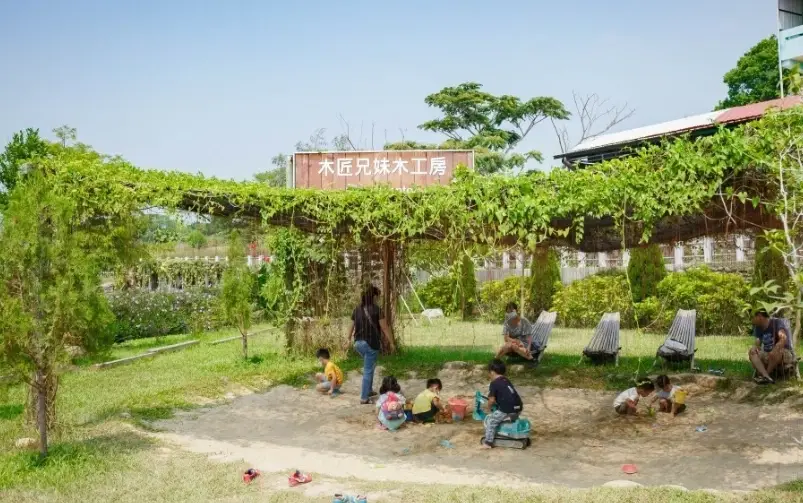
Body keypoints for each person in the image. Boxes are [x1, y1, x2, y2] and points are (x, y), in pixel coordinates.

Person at [347, 285, 395, 404]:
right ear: (373, 296)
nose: (378, 299)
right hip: (370, 344)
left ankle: (369, 390)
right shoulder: (377, 310)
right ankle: (364, 397)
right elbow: (384, 327)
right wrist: (391, 342)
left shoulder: (356, 309)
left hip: (358, 344)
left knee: (370, 366)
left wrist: (347, 339)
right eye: (377, 297)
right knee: (368, 370)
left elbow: (351, 326)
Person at [481, 359, 523, 448]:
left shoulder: (494, 383)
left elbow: (491, 400)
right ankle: (508, 425)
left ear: (492, 372)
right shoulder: (506, 380)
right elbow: (506, 394)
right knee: (503, 419)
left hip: (507, 408)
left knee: (491, 421)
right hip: (518, 407)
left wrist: (488, 408)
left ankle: (488, 442)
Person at [749, 310, 795, 384]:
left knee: (775, 352)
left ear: (760, 316)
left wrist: (775, 348)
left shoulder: (776, 322)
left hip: (784, 352)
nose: (751, 320)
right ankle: (766, 376)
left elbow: (783, 338)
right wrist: (754, 347)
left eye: (753, 317)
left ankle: (766, 376)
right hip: (768, 353)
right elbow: (757, 342)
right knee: (752, 352)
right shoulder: (758, 327)